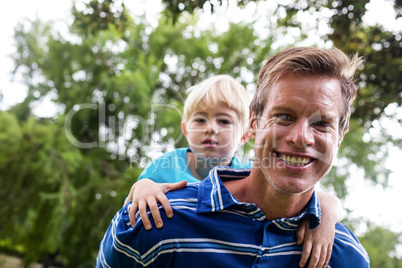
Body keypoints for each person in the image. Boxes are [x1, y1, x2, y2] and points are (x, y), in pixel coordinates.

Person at [97, 47, 369, 268]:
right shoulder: (153, 225)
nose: (301, 137)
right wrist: (142, 189)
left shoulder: (345, 256)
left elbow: (315, 197)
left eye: (322, 123)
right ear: (254, 124)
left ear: (341, 134)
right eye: (284, 116)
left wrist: (326, 217)